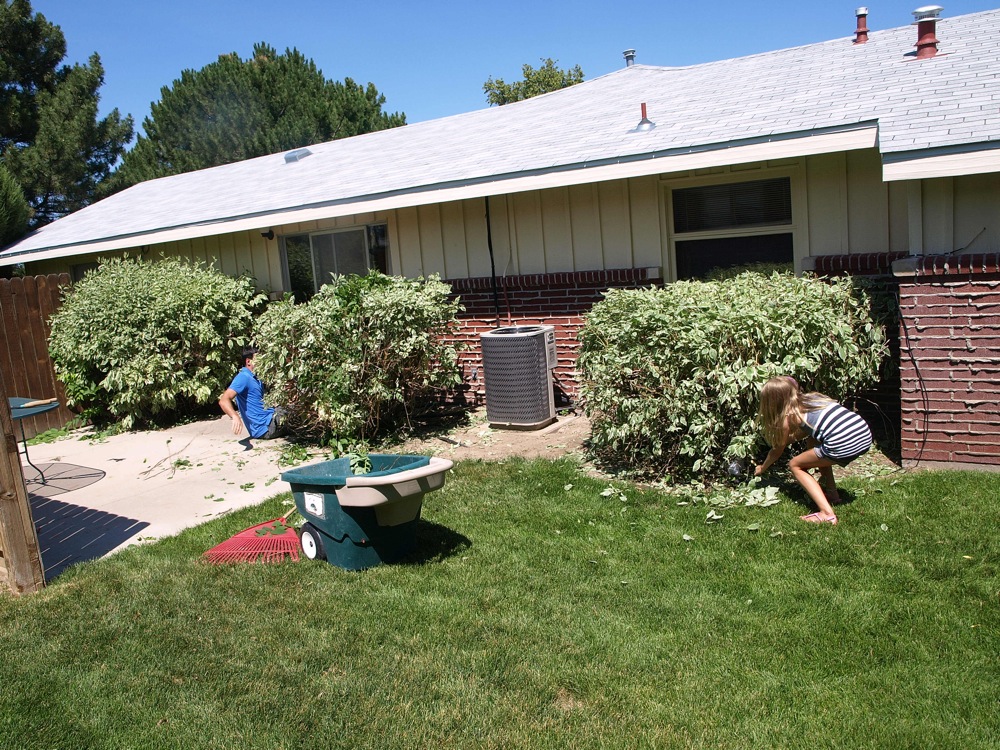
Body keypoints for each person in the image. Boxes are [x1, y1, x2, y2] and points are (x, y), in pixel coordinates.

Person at [754, 376, 872, 525]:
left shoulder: (787, 417)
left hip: (843, 442)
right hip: (863, 434)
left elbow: (776, 451)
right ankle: (832, 494)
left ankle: (827, 514)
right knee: (814, 442)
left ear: (772, 401)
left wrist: (762, 468)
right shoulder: (812, 399)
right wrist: (785, 441)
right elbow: (808, 430)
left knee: (795, 465)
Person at [218, 347, 286, 440]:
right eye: (259, 359)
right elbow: (223, 400)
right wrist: (235, 416)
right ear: (248, 361)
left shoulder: (255, 377)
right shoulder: (243, 377)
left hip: (269, 420)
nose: (262, 361)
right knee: (296, 410)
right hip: (266, 428)